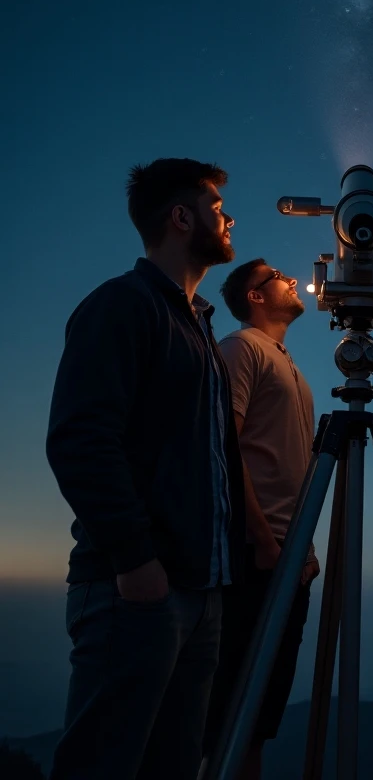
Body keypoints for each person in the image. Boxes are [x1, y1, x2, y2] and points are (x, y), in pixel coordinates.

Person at [46, 158, 246, 780]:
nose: (229, 217)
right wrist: (136, 561)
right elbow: (80, 440)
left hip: (196, 590)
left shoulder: (199, 328)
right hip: (135, 592)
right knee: (103, 765)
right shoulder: (122, 306)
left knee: (174, 766)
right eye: (217, 208)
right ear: (181, 218)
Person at [203, 259, 320, 779]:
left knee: (261, 713)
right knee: (233, 708)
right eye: (276, 275)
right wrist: (263, 541)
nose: (292, 280)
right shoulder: (241, 349)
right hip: (257, 556)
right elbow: (224, 447)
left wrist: (305, 551)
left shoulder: (290, 365)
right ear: (254, 296)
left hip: (287, 557)